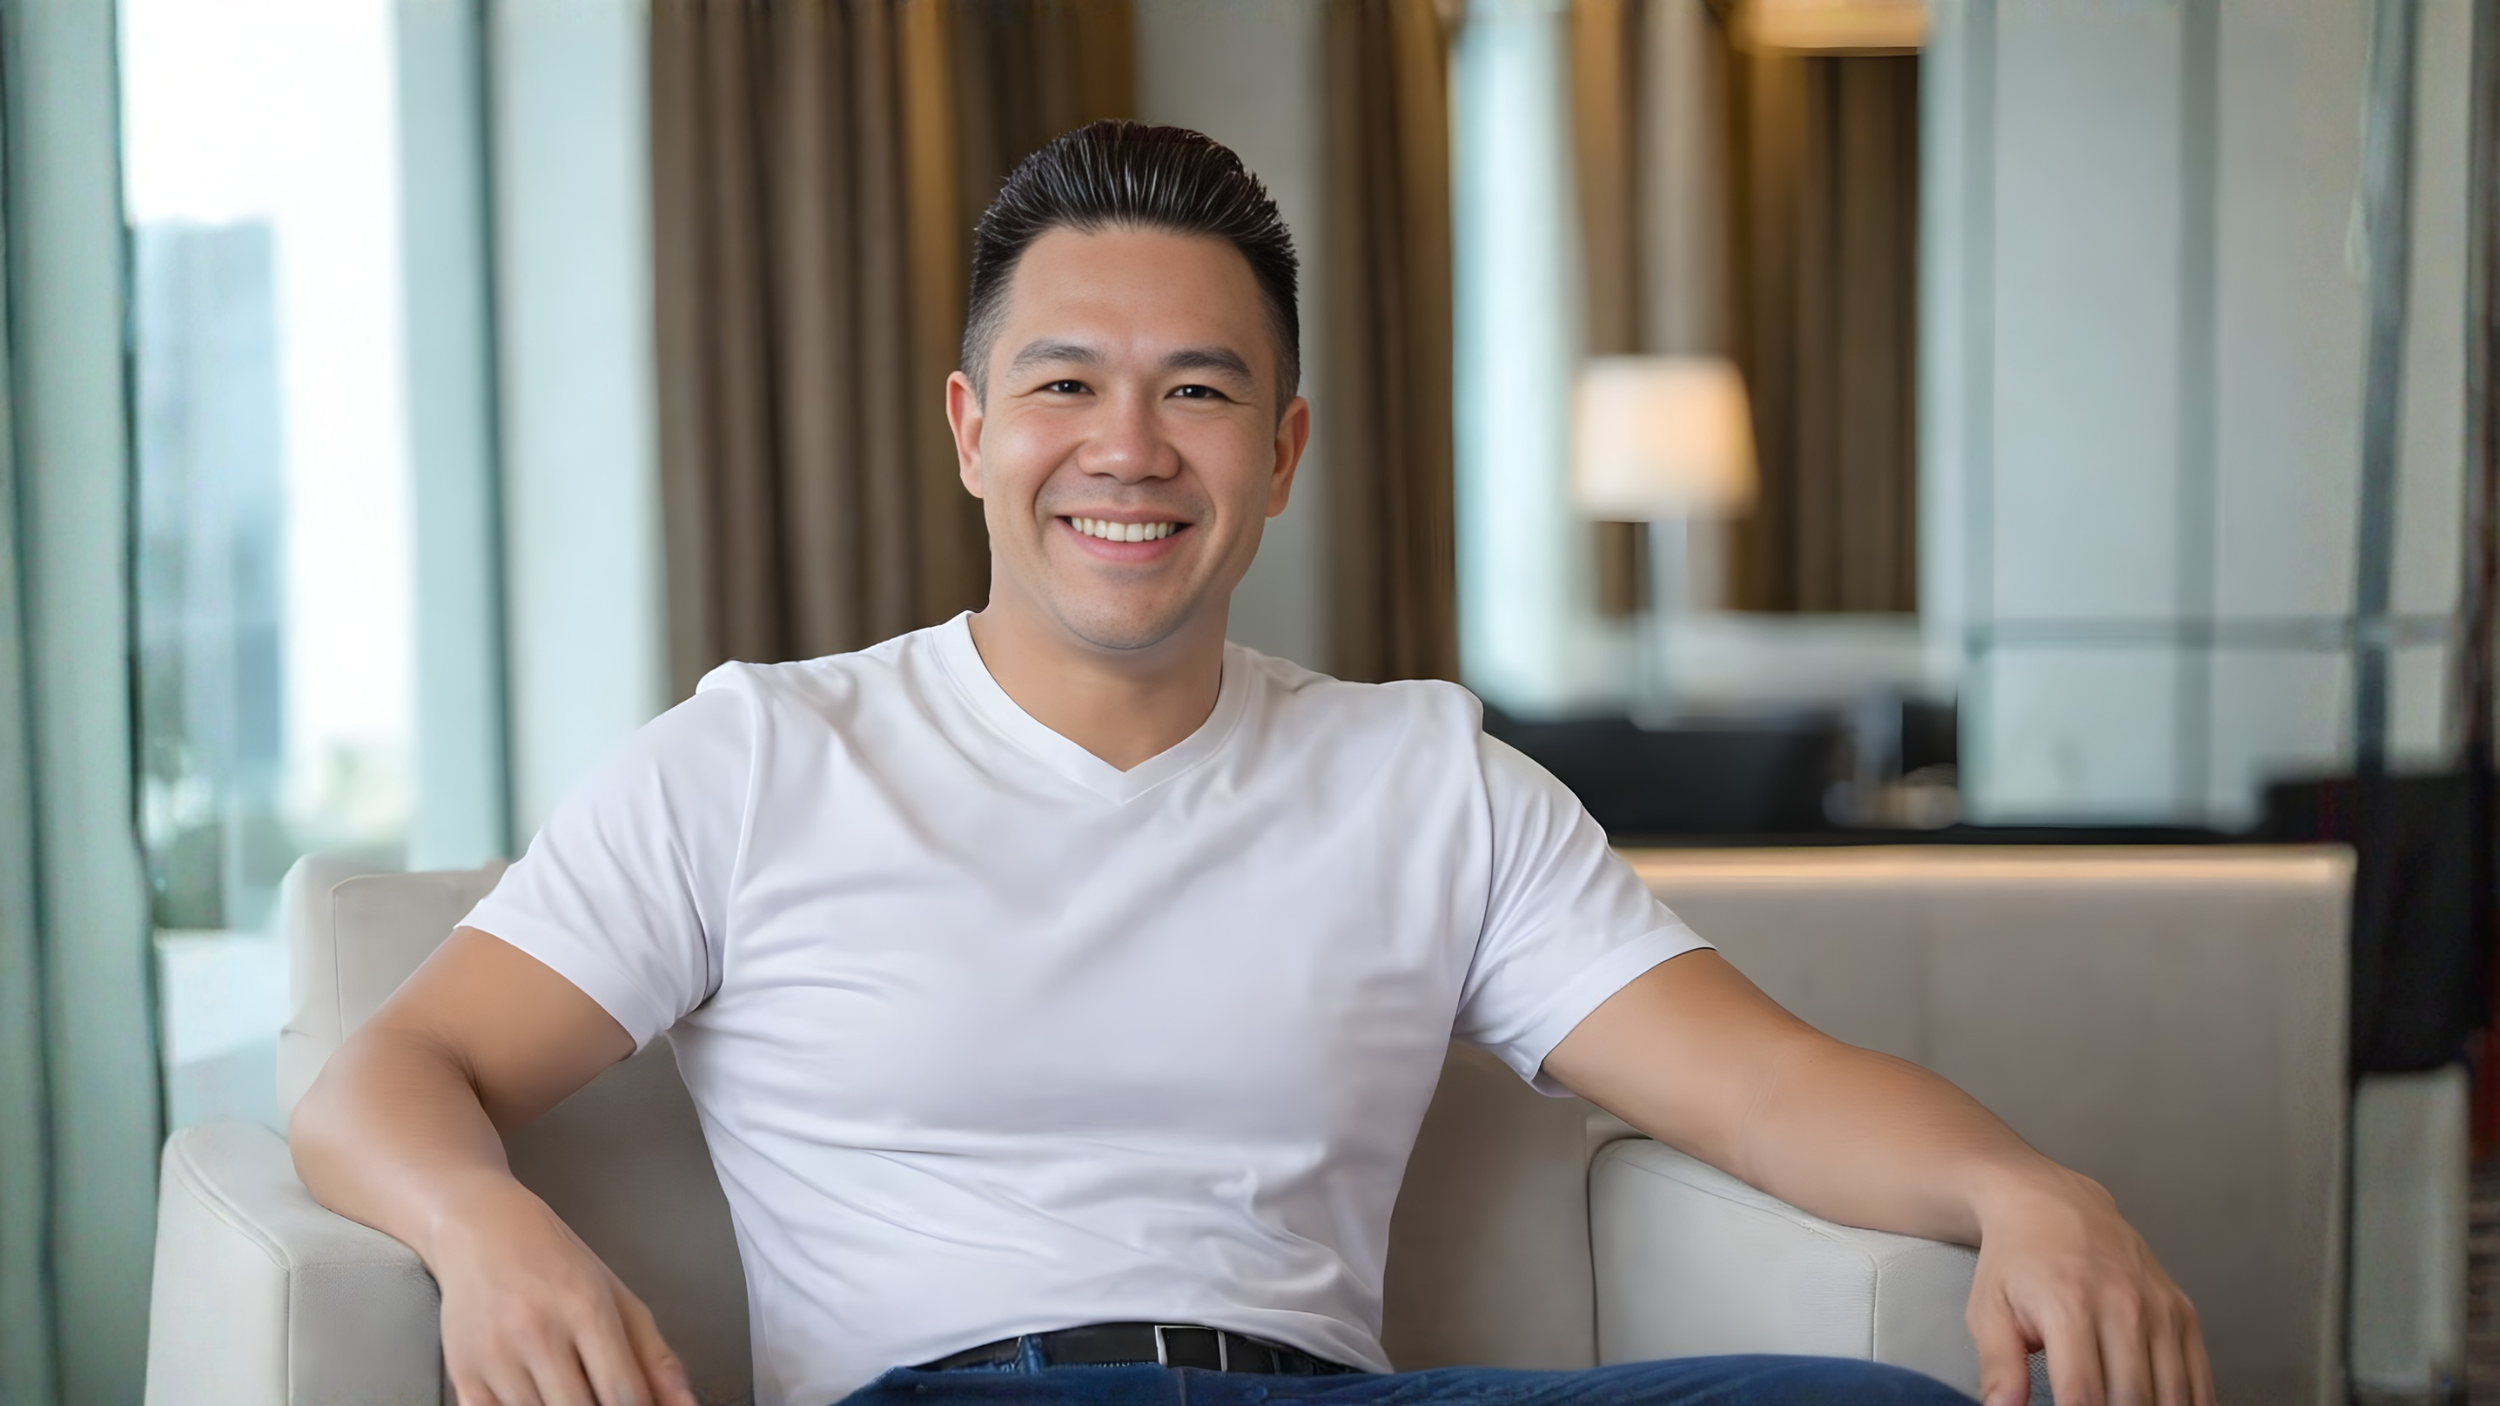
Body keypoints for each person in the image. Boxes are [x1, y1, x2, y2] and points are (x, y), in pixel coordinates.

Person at [291, 121, 2210, 1406]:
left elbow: (1765, 1083)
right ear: (970, 431)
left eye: (1197, 391)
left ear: (1281, 452)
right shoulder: (762, 756)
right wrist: (487, 1231)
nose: (1127, 448)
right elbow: (390, 1071)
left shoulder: (1427, 780)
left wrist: (2023, 1185)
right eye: (1064, 384)